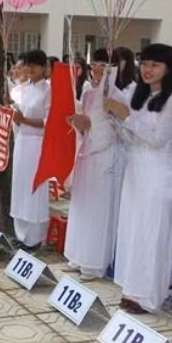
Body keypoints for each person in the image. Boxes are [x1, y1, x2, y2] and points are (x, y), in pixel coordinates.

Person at [106, 44, 172, 313]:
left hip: (157, 173)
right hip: (135, 171)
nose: (148, 69)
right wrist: (116, 120)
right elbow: (132, 139)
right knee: (133, 230)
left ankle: (150, 295)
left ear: (168, 69)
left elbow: (158, 139)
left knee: (152, 233)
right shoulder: (140, 97)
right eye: (145, 63)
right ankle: (132, 289)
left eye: (156, 65)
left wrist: (125, 116)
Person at [61, 49, 120, 282]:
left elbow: (113, 131)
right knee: (82, 206)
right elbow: (85, 127)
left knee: (97, 208)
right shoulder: (88, 92)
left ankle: (94, 262)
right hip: (86, 152)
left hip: (103, 155)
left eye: (102, 65)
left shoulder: (115, 94)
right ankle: (77, 254)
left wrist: (90, 128)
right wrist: (79, 125)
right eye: (94, 63)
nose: (97, 69)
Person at [10, 50, 51, 249]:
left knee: (34, 187)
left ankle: (35, 236)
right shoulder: (24, 89)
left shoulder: (49, 90)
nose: (31, 68)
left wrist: (24, 120)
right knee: (20, 186)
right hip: (22, 141)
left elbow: (49, 122)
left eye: (35, 65)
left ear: (44, 67)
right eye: (28, 64)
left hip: (37, 144)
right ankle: (21, 233)